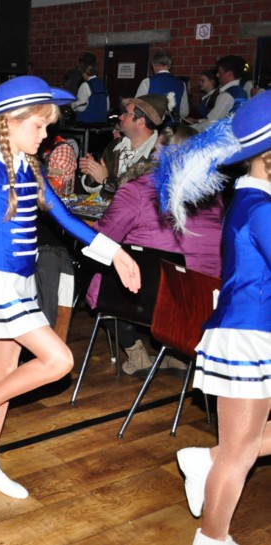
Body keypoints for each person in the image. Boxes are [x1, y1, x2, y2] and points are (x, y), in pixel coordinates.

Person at [0, 76, 139, 499]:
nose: (45, 134)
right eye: (38, 126)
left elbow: (65, 218)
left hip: (20, 282)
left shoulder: (30, 168)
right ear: (8, 123)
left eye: (46, 126)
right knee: (59, 360)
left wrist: (115, 253)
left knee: (4, 374)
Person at [157, 92, 271, 545]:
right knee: (239, 454)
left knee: (240, 447)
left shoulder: (251, 200)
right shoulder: (259, 208)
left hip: (254, 331)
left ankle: (205, 460)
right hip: (247, 336)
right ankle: (212, 537)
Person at [85, 126, 222, 376]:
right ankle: (176, 355)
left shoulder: (137, 190)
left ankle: (136, 353)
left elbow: (101, 238)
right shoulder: (213, 195)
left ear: (161, 152)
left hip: (151, 297)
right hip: (201, 297)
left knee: (101, 271)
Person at [79, 93, 168, 198]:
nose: (120, 117)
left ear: (141, 121)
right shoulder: (115, 146)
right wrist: (92, 173)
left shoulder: (159, 155)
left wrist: (106, 180)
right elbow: (94, 189)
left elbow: (141, 198)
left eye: (126, 114)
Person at [136, 50, 190, 120]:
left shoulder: (147, 82)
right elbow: (184, 112)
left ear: (154, 65)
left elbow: (137, 106)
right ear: (169, 66)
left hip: (151, 124)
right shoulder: (181, 83)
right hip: (173, 125)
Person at [198, 55, 249, 129]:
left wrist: (191, 128)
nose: (217, 75)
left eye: (219, 72)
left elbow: (212, 124)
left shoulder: (226, 95)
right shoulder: (242, 92)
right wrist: (199, 121)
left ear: (229, 74)